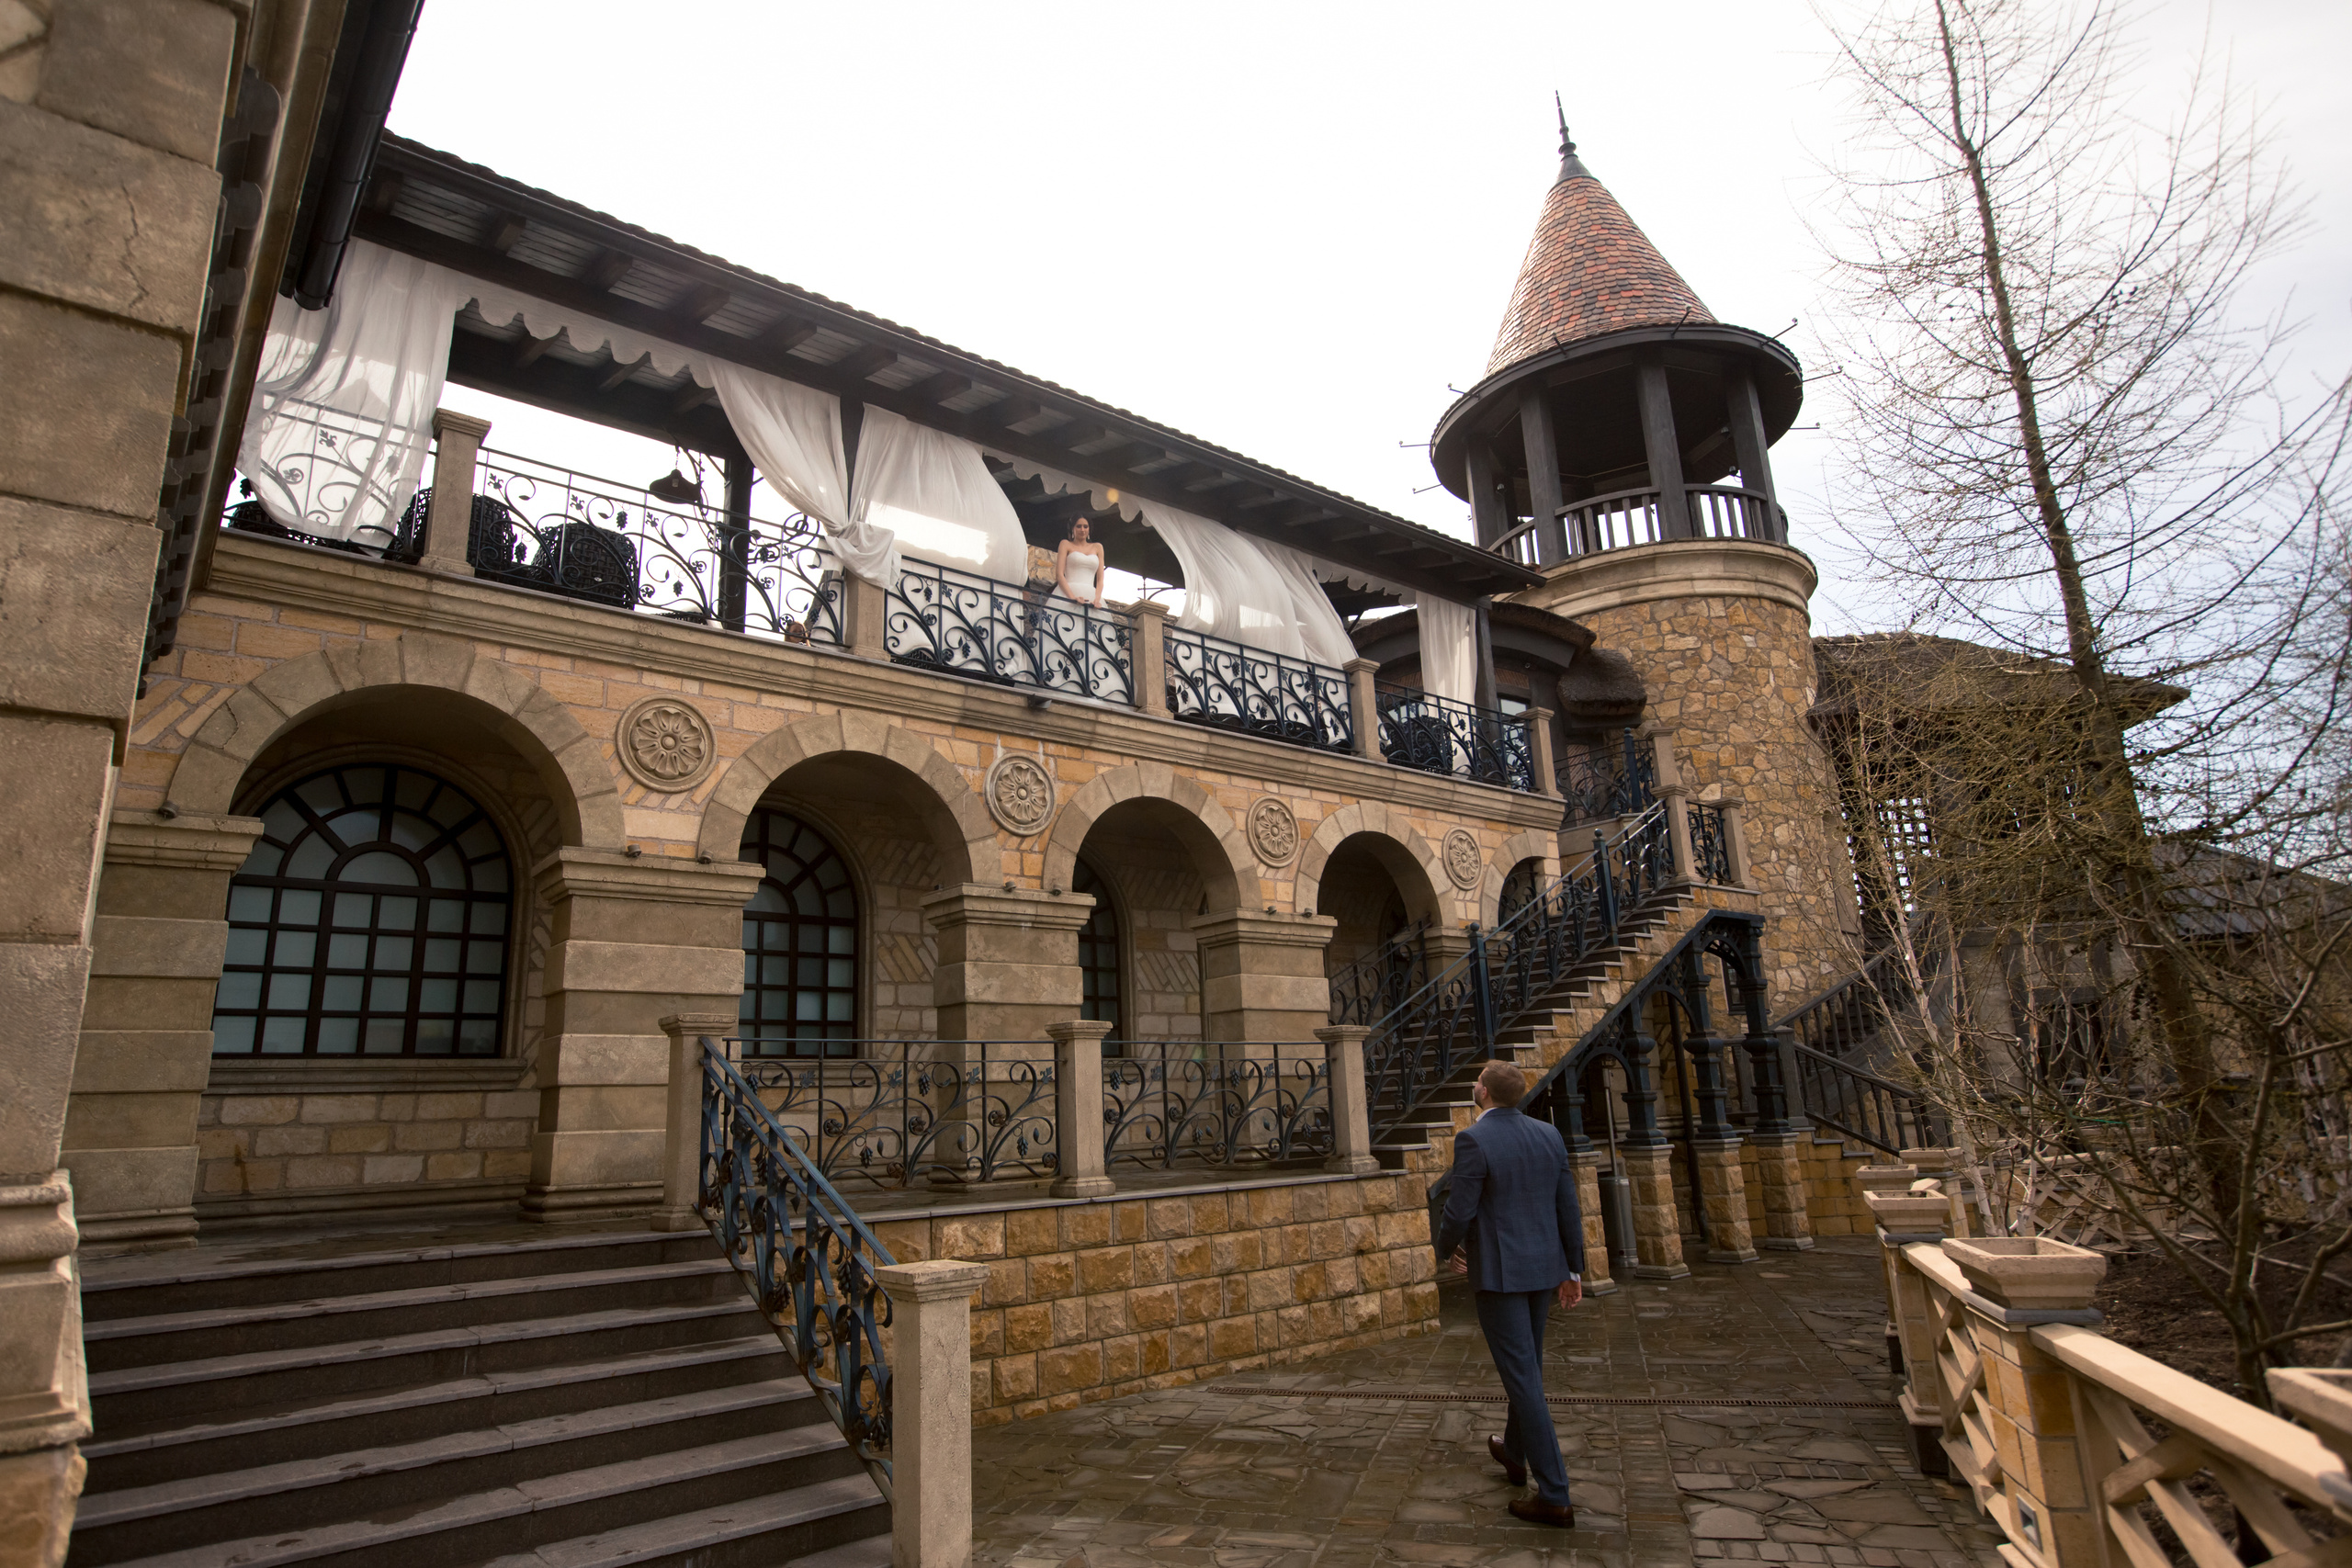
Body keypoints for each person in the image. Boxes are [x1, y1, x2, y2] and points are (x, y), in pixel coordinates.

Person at [1432, 1058, 1586, 1528]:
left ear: (1485, 1093)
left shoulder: (1474, 1138)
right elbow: (1568, 1205)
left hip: (1499, 1274)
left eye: (1477, 1080)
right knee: (1529, 1368)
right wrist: (1573, 1270)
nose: (1474, 1085)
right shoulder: (1549, 1134)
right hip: (1543, 1267)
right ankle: (1514, 1454)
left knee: (1523, 1379)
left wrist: (1445, 1249)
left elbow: (1460, 1210)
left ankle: (1555, 1493)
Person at [1055, 516, 1106, 606]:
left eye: (1085, 526)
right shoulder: (1065, 544)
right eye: (1079, 526)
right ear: (1072, 529)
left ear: (1089, 529)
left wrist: (1097, 600)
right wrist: (1072, 598)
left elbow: (1100, 579)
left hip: (1091, 594)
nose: (1082, 529)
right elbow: (1059, 575)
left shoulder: (1098, 547)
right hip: (1068, 592)